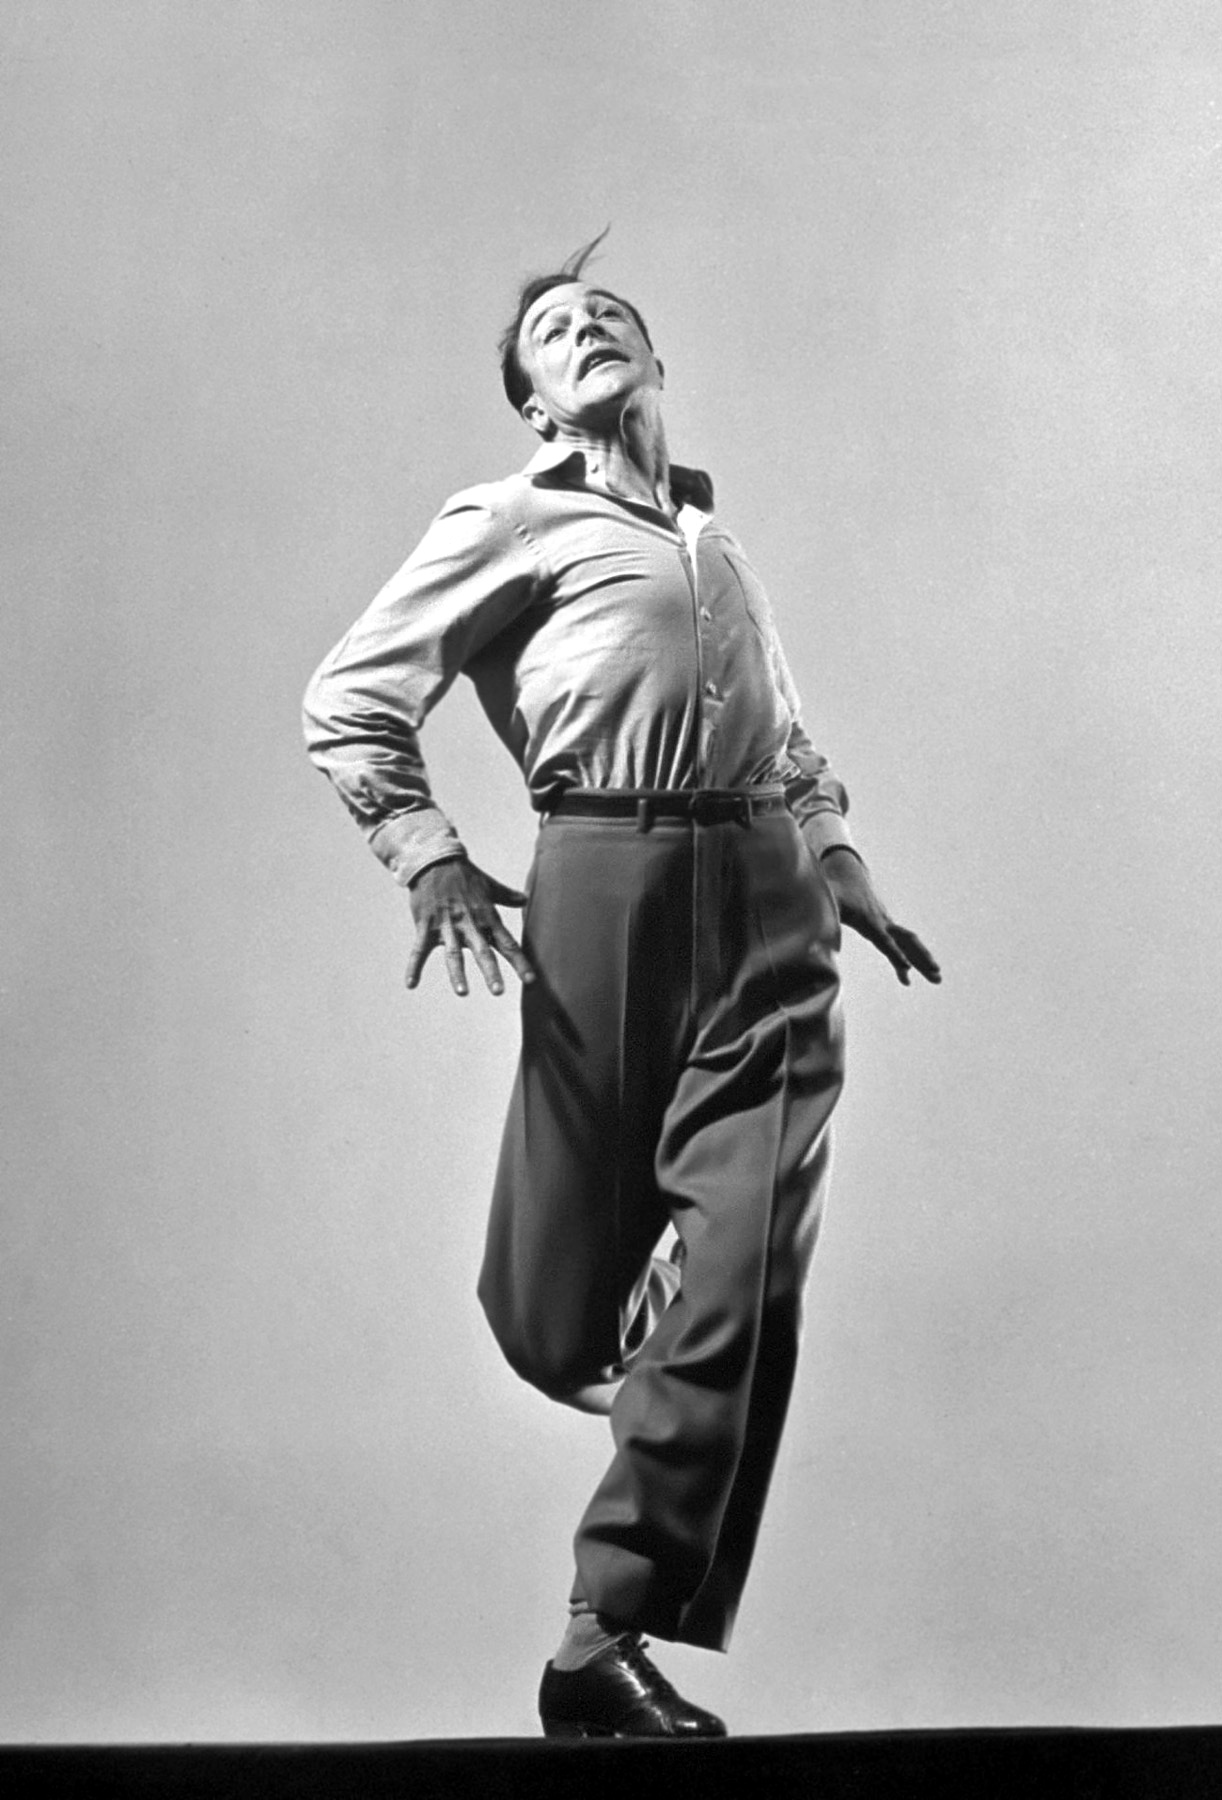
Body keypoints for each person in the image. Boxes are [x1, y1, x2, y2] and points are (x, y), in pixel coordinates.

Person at [303, 233, 940, 1739]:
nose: (583, 330)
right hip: (603, 876)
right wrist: (427, 856)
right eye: (551, 331)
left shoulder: (720, 550)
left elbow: (787, 738)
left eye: (607, 317)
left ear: (655, 363)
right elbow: (351, 696)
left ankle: (603, 1633)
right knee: (549, 1311)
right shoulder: (508, 519)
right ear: (534, 404)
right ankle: (648, 1363)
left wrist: (836, 857)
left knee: (746, 1263)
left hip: (772, 903)